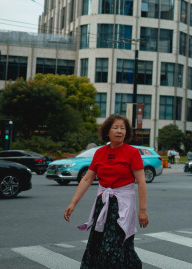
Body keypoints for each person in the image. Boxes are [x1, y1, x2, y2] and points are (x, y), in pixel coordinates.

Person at [64, 114, 149, 268]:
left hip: (122, 205)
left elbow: (142, 182)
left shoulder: (132, 152)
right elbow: (87, 179)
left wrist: (142, 211)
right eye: (115, 127)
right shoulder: (100, 152)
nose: (119, 131)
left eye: (122, 128)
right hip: (103, 204)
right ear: (107, 131)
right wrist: (73, 203)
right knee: (98, 242)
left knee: (116, 243)